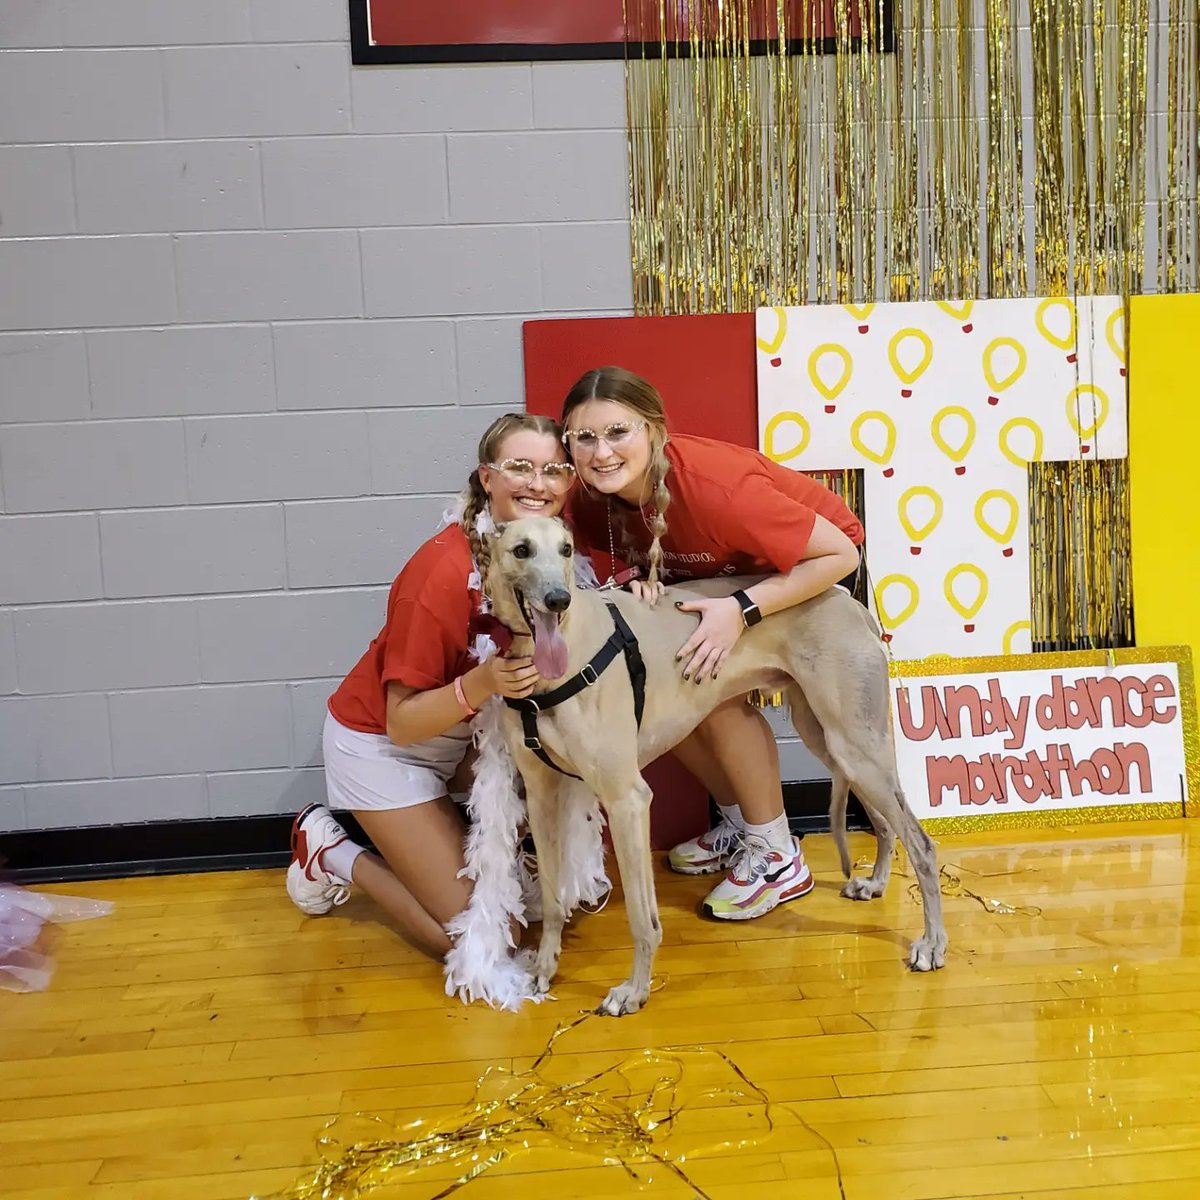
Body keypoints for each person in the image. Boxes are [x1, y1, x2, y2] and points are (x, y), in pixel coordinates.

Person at [561, 365, 865, 921]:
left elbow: (842, 555)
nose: (601, 452)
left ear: (653, 429)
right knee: (661, 684)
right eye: (585, 437)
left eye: (618, 432)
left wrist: (743, 610)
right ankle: (744, 825)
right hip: (721, 590)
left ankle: (779, 856)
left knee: (711, 684)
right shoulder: (589, 497)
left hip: (807, 575)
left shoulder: (715, 488)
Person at [285, 413, 576, 957]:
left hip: (459, 740)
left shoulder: (550, 550)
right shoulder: (441, 573)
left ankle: (486, 855)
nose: (538, 484)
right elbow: (402, 722)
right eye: (520, 467)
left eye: (554, 470)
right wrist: (487, 680)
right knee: (488, 945)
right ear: (486, 478)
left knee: (565, 762)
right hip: (383, 747)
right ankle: (329, 851)